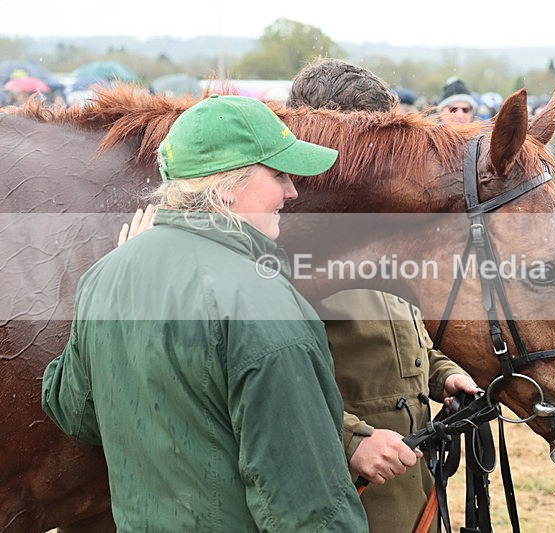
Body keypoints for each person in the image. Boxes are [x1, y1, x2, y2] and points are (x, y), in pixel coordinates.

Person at [42, 95, 369, 532]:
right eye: (279, 175)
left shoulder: (105, 275)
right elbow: (309, 507)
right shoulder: (263, 302)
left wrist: (114, 282)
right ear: (226, 187)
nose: (292, 191)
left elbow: (76, 414)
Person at [289, 58, 480, 533]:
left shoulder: (384, 236)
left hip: (411, 484)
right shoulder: (286, 250)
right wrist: (351, 439)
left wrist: (446, 375)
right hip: (339, 491)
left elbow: (408, 337)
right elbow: (274, 388)